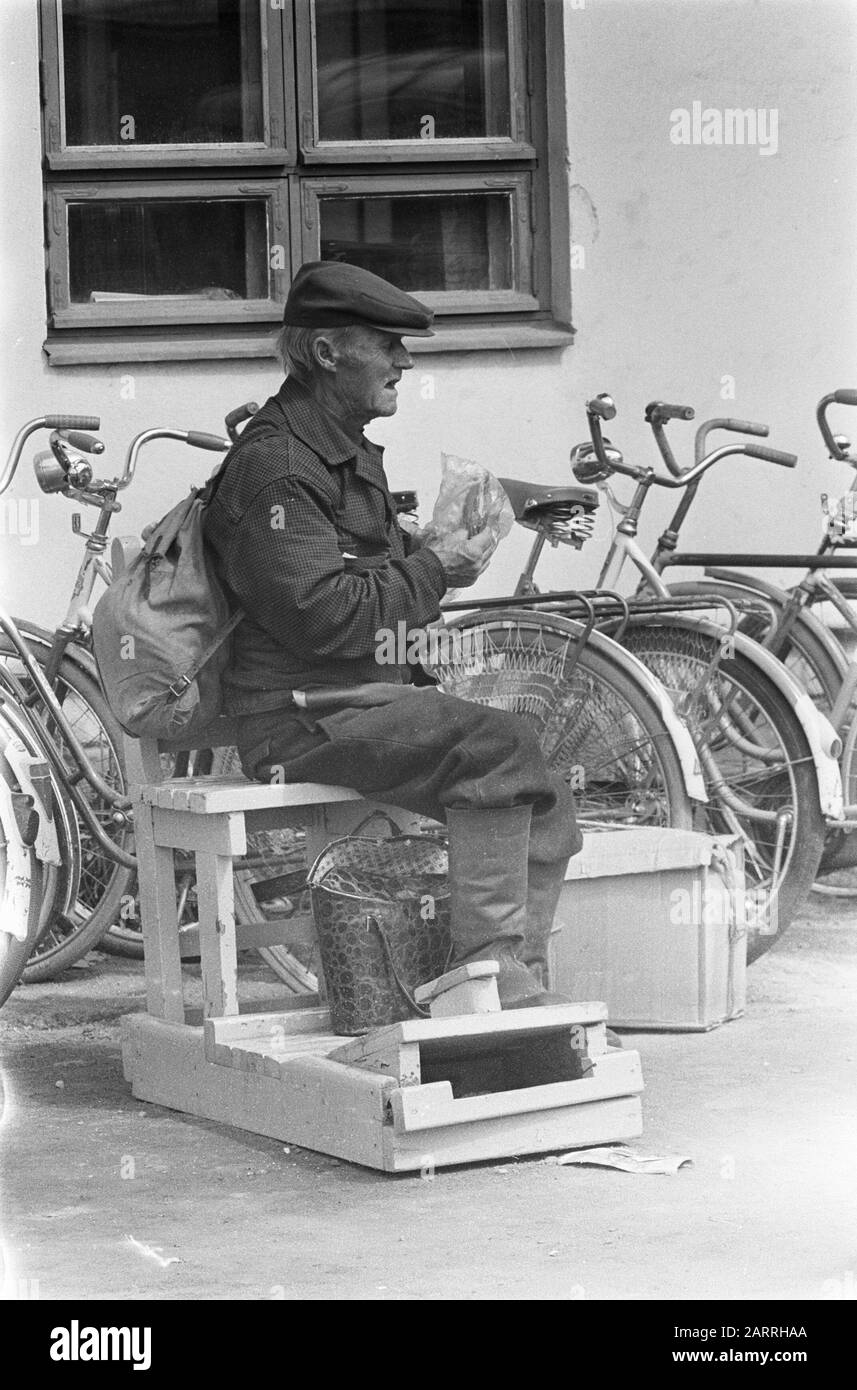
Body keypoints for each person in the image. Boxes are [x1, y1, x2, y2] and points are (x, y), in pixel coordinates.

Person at [203, 260, 582, 1010]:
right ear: (324, 353)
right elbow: (324, 614)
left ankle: (509, 982)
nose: (404, 362)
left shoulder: (334, 450)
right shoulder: (278, 469)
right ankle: (490, 983)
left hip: (353, 696)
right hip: (298, 716)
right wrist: (434, 569)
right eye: (386, 344)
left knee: (535, 775)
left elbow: (364, 586)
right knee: (500, 748)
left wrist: (439, 553)